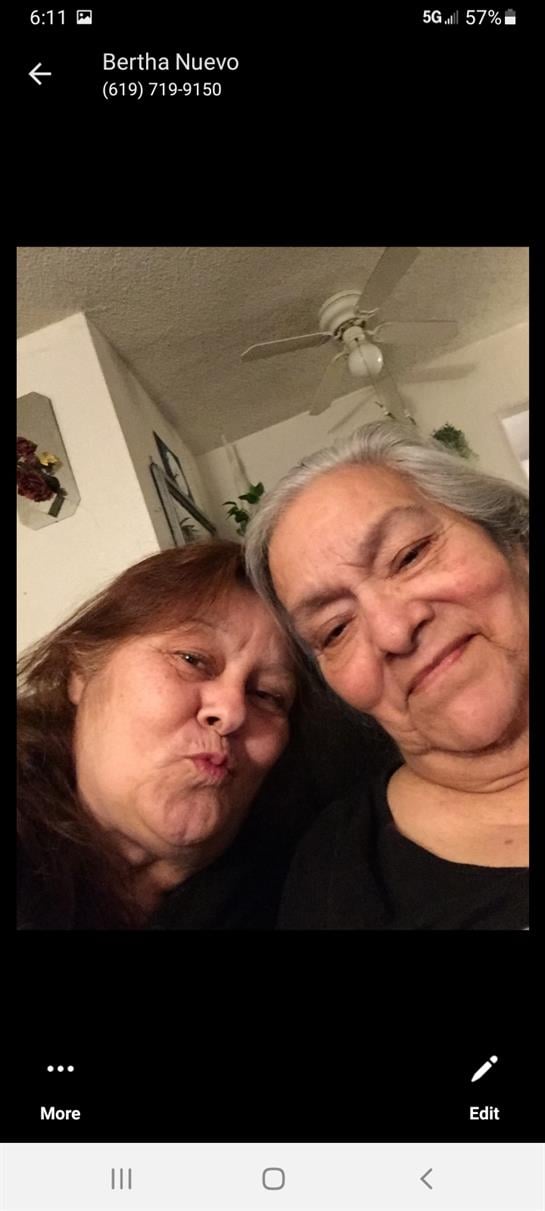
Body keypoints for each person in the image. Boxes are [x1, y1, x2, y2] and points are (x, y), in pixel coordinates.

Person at [245, 420, 529, 930]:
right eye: (336, 629)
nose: (395, 631)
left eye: (410, 556)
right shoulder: (336, 880)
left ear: (512, 544)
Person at [17, 540, 300, 930]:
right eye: (192, 659)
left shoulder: (312, 890)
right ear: (81, 672)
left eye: (267, 695)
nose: (233, 712)